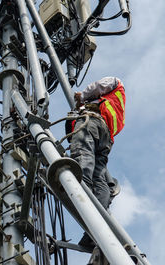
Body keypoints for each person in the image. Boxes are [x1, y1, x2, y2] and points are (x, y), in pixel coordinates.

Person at [69, 76, 125, 249]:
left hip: (92, 122)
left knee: (83, 160)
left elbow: (100, 85)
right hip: (106, 137)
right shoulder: (117, 107)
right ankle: (94, 229)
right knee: (99, 178)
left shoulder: (116, 83)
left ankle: (81, 193)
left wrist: (82, 96)